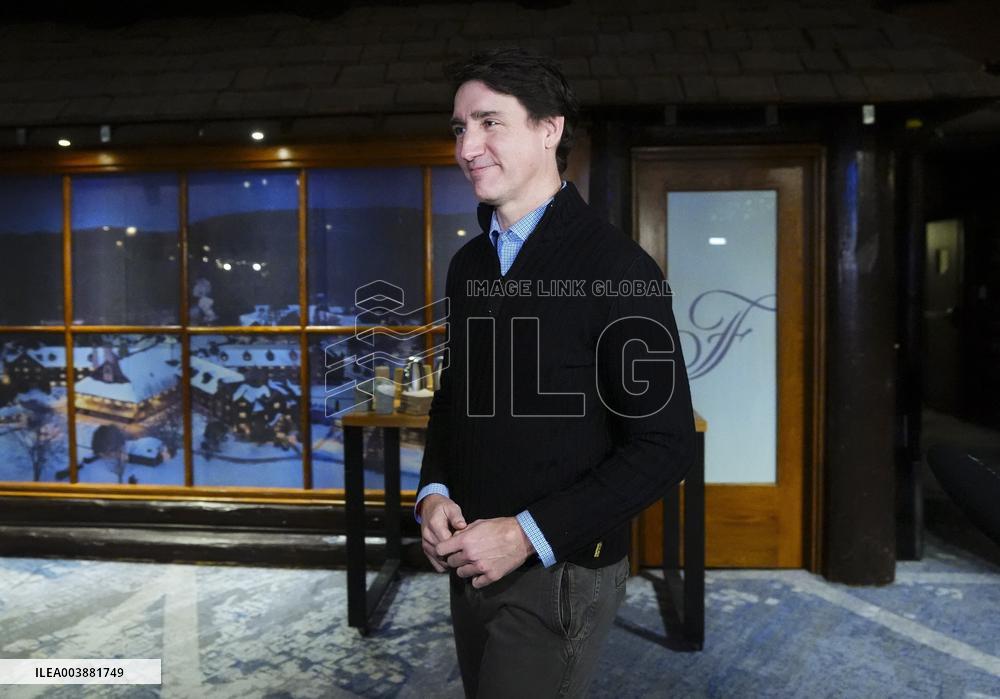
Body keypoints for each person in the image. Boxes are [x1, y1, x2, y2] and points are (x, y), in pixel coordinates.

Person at [416, 48, 695, 698]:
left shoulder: (619, 268)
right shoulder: (468, 266)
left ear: (550, 129)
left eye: (490, 122)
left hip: (561, 570)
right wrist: (433, 490)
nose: (467, 147)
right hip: (471, 559)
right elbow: (455, 397)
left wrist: (524, 535)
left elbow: (665, 445)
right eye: (459, 128)